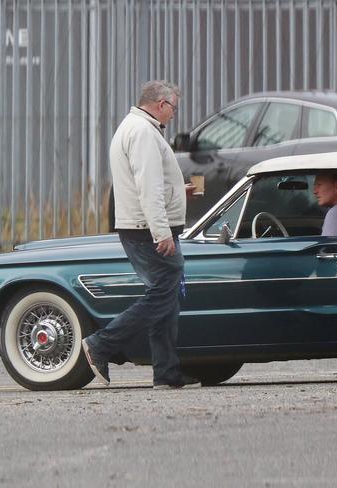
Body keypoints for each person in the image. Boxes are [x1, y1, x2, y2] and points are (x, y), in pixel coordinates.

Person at [82, 80, 200, 389]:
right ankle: (100, 344)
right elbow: (147, 188)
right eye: (174, 108)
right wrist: (161, 233)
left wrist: (179, 191)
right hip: (147, 231)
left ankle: (166, 372)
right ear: (161, 105)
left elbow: (149, 184)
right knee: (162, 294)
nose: (174, 114)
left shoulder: (137, 128)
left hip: (144, 227)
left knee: (166, 298)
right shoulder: (144, 133)